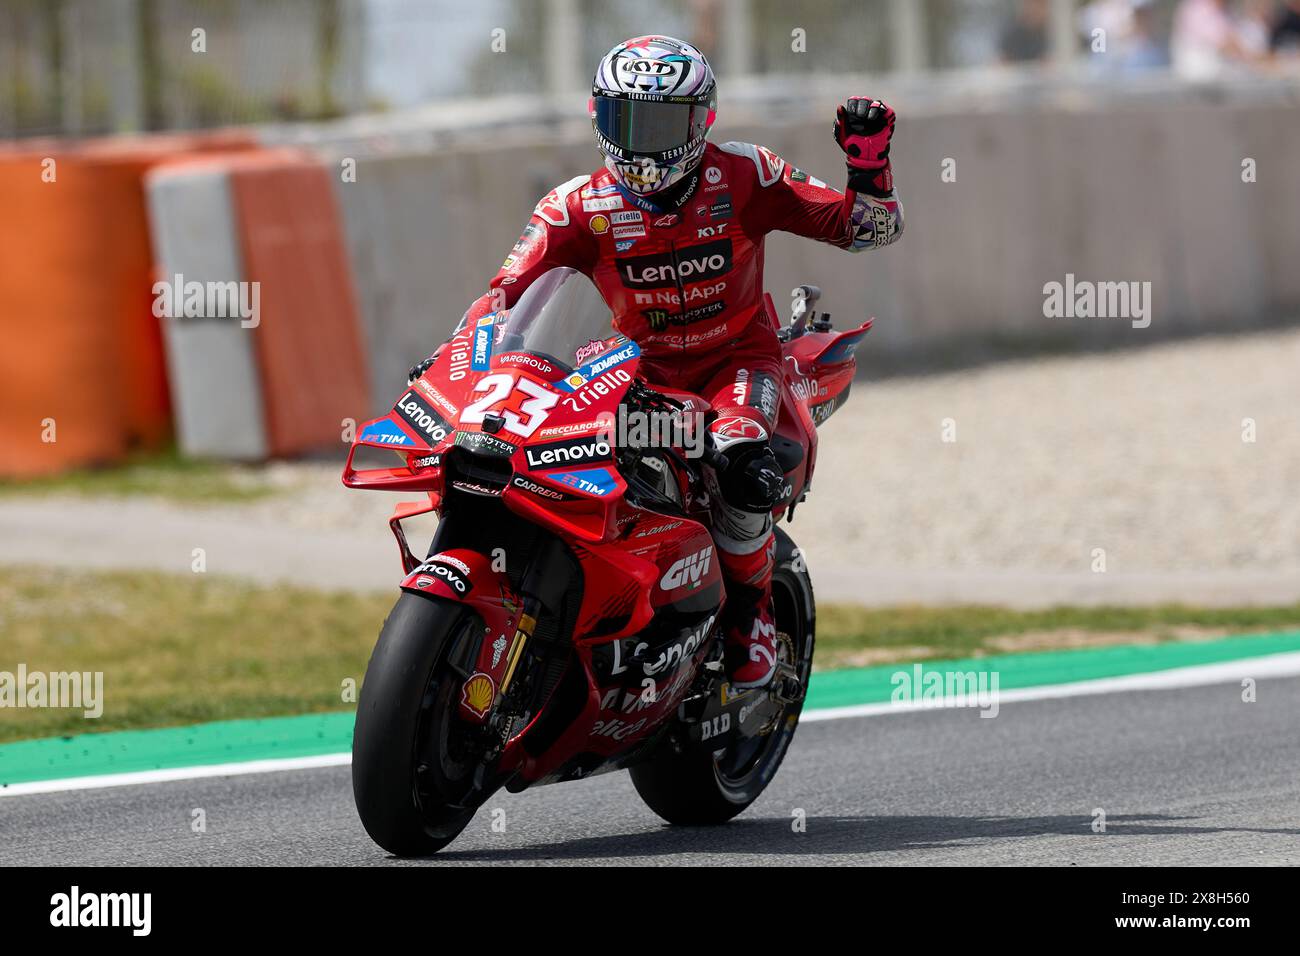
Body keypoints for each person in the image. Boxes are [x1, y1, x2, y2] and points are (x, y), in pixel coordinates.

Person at [449, 36, 903, 689]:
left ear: (701, 120)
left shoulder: (748, 173)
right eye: (623, 120)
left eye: (659, 122)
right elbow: (499, 301)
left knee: (741, 458)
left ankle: (750, 620)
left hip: (736, 365)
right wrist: (459, 369)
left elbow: (869, 229)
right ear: (598, 117)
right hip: (628, 369)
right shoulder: (573, 206)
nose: (640, 141)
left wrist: (869, 168)